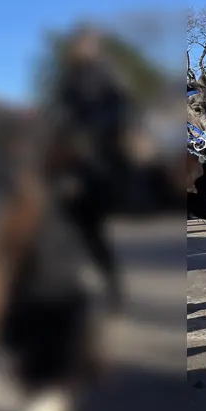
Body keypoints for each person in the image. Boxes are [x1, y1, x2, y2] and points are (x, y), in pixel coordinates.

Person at [49, 26, 130, 309]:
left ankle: (111, 286)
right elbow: (61, 108)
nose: (89, 50)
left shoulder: (106, 75)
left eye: (93, 45)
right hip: (72, 146)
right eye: (84, 45)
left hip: (98, 149)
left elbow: (119, 107)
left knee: (91, 229)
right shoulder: (69, 77)